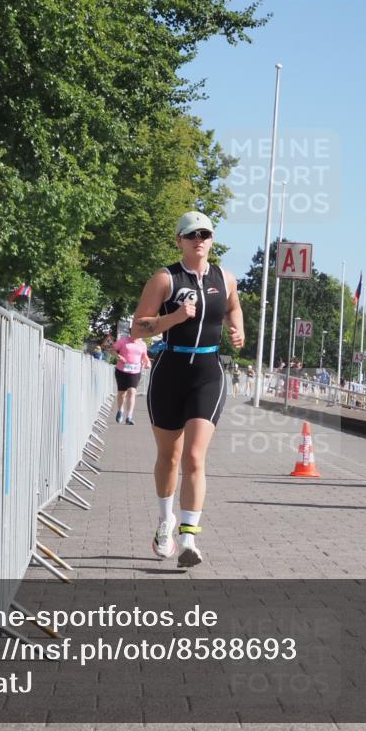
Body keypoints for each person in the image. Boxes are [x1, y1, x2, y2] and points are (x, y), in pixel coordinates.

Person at [130, 210, 244, 567]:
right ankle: (166, 522)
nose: (199, 240)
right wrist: (174, 318)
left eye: (206, 234)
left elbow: (233, 306)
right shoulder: (165, 279)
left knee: (195, 456)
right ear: (179, 240)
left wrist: (237, 329)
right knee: (170, 457)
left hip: (208, 372)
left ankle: (189, 538)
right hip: (170, 371)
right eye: (192, 234)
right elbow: (137, 328)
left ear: (212, 240)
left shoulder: (225, 278)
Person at [108, 327, 151, 425]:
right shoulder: (123, 341)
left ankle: (129, 417)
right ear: (131, 332)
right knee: (122, 393)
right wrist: (118, 356)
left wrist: (147, 363)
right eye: (135, 331)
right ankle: (120, 410)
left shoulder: (142, 344)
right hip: (121, 370)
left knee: (132, 391)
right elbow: (111, 350)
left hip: (135, 371)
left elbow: (144, 356)